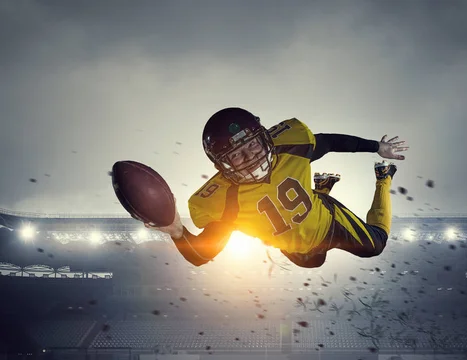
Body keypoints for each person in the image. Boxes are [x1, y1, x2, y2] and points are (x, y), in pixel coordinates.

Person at [145, 107, 408, 268]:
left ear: (265, 139)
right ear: (221, 164)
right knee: (315, 262)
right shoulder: (226, 200)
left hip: (327, 222)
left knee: (376, 246)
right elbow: (203, 254)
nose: (251, 157)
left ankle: (383, 177)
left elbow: (330, 141)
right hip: (292, 245)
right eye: (237, 155)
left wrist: (377, 147)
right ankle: (322, 187)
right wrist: (177, 232)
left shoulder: (292, 146)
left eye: (252, 146)